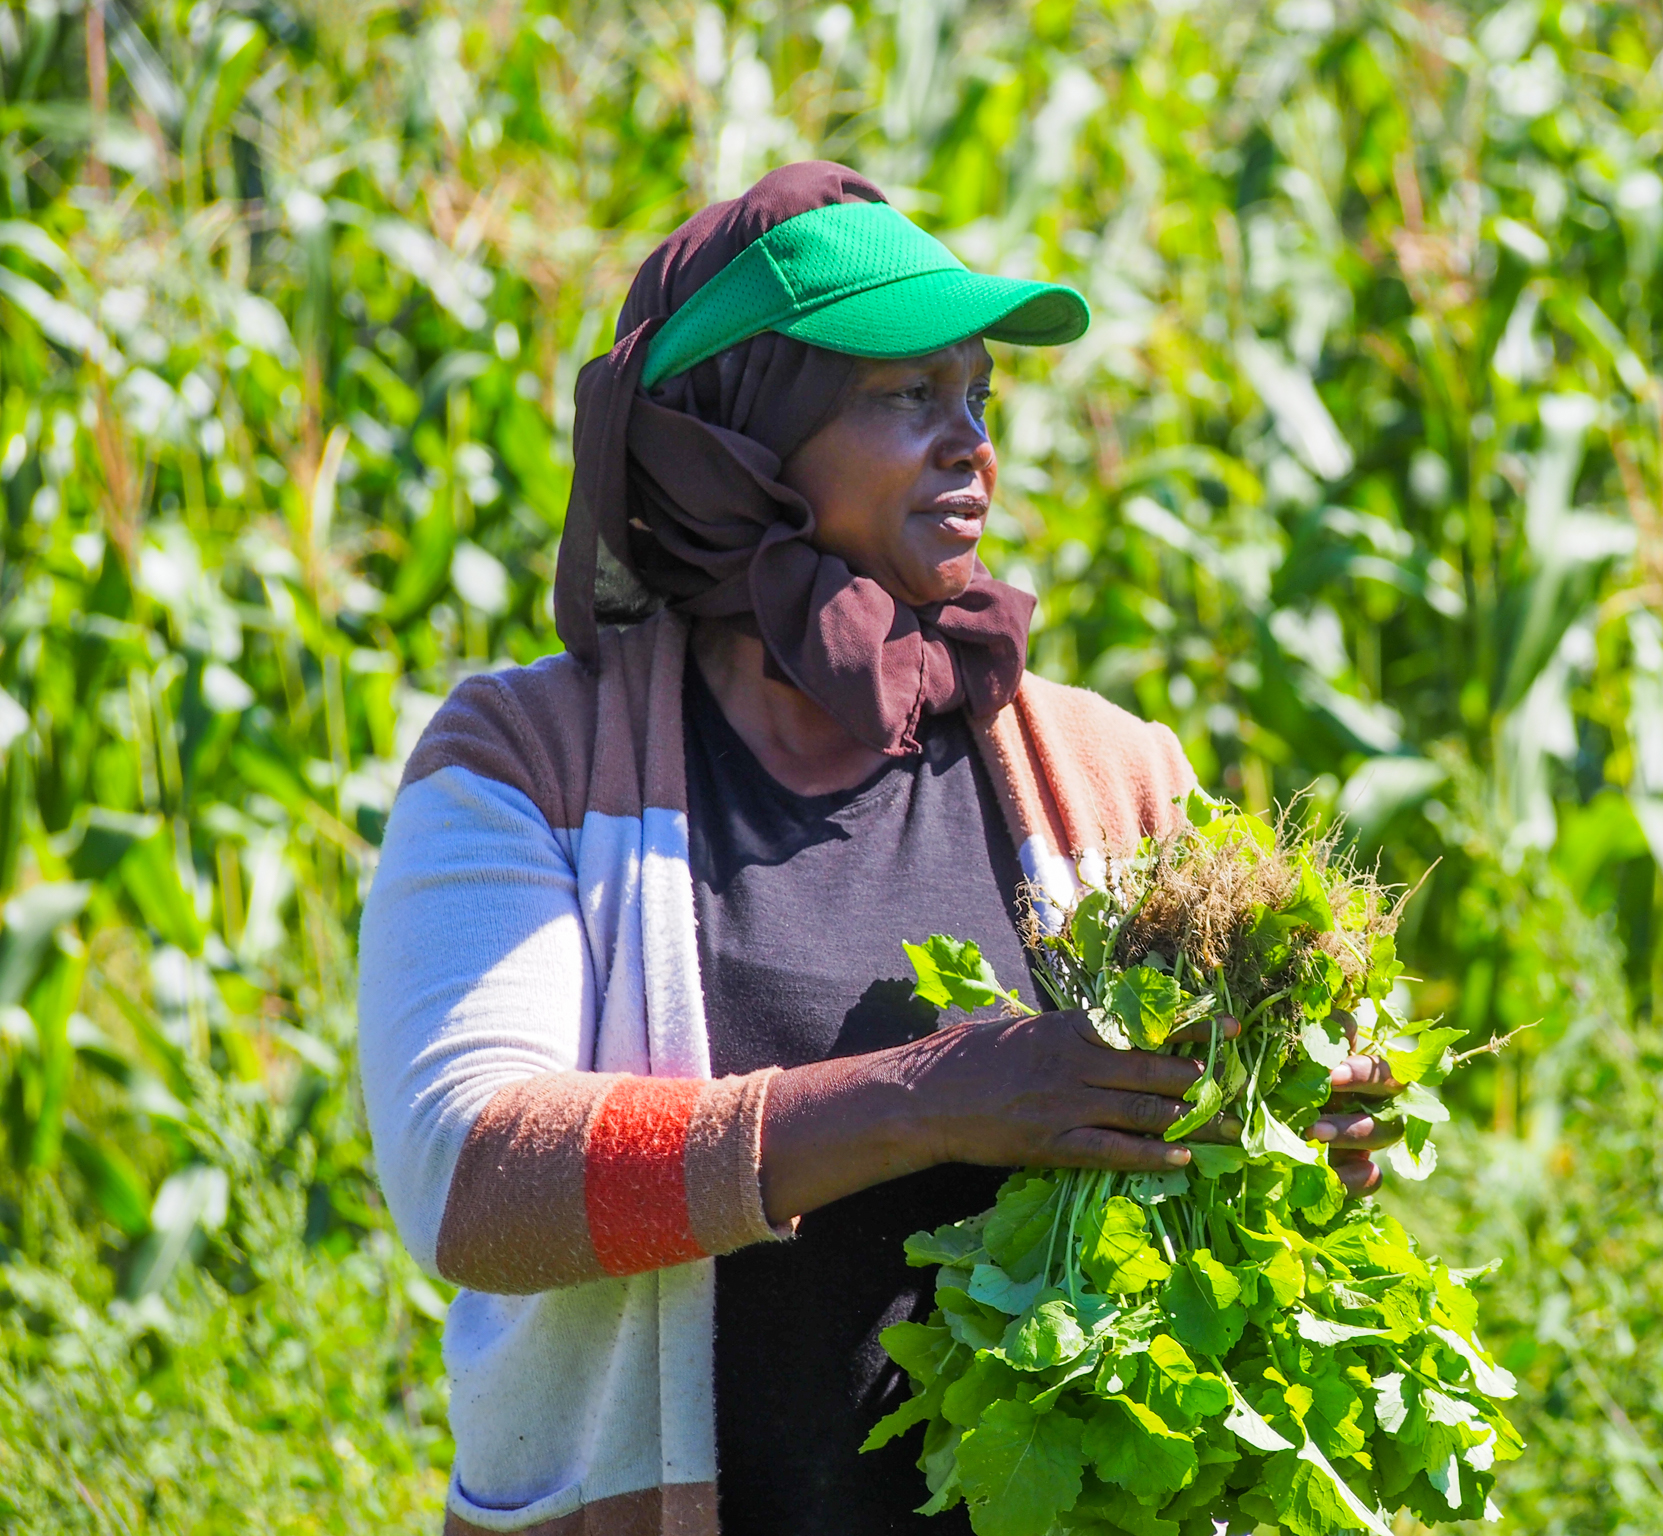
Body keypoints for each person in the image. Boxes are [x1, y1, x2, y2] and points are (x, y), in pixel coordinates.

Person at [357, 161, 1401, 1536]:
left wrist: (1287, 1123)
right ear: (735, 439)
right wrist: (933, 1096)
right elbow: (476, 1180)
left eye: (976, 394)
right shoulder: (528, 766)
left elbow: (1195, 1175)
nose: (969, 442)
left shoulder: (1103, 770)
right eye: (904, 396)